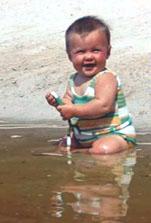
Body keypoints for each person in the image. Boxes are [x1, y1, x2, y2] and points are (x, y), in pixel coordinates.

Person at [45, 16, 136, 155]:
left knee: (103, 149)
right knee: (63, 146)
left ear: (108, 52)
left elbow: (103, 106)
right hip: (85, 136)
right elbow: (67, 103)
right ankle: (84, 151)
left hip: (114, 134)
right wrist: (59, 104)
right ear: (70, 56)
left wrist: (74, 110)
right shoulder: (73, 80)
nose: (88, 56)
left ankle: (87, 152)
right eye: (81, 52)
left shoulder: (106, 77)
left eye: (95, 50)